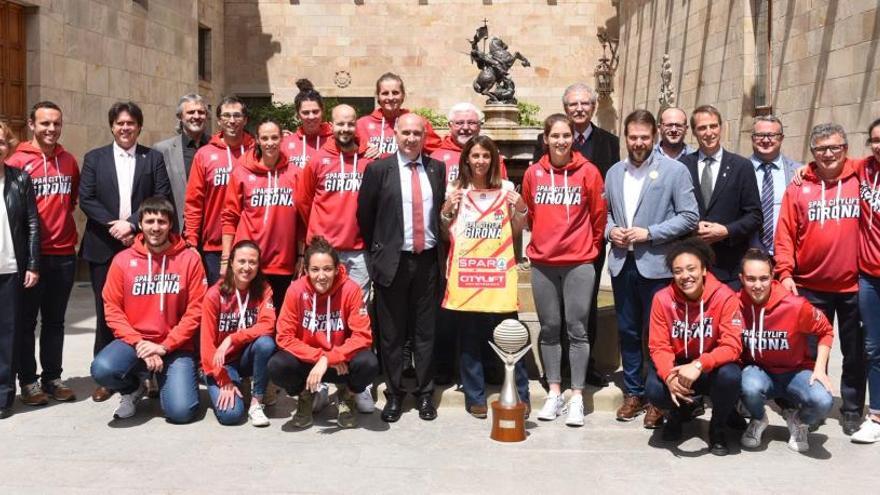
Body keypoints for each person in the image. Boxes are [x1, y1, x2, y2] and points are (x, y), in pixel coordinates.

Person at [605, 109, 699, 427]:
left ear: (654, 137)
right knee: (628, 332)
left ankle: (658, 397)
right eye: (633, 137)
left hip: (657, 266)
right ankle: (634, 393)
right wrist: (610, 231)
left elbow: (689, 216)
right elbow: (604, 214)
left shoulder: (674, 171)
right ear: (626, 138)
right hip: (622, 263)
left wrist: (651, 233)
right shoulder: (614, 172)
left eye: (645, 137)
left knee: (659, 336)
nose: (639, 142)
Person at [79, 101, 172, 403]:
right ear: (112, 126)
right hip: (103, 246)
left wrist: (132, 224)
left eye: (130, 123)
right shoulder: (95, 158)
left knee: (147, 309)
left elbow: (161, 195)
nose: (125, 128)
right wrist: (113, 226)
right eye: (120, 123)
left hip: (144, 245)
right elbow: (86, 198)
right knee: (108, 312)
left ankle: (151, 372)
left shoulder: (152, 158)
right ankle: (109, 377)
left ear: (139, 127)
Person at [356, 112, 446, 422]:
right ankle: (393, 394)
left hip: (428, 262)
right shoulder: (378, 170)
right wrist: (380, 251)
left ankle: (424, 394)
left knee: (425, 333)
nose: (411, 138)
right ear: (395, 134)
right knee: (392, 335)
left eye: (416, 133)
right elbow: (365, 217)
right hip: (392, 262)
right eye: (405, 132)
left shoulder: (437, 169)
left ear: (424, 136)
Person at [776, 123, 864, 435]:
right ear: (812, 153)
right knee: (811, 352)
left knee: (855, 352)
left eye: (835, 147)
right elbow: (784, 233)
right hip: (810, 286)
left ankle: (852, 409)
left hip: (855, 285)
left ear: (846, 149)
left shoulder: (860, 177)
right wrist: (784, 272)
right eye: (821, 149)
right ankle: (815, 404)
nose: (828, 154)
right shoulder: (799, 186)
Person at [531, 83, 619, 388]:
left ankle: (586, 366)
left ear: (593, 107)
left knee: (586, 310)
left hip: (586, 249)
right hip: (549, 254)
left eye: (584, 103)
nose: (579, 108)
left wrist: (595, 244)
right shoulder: (541, 155)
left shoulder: (610, 143)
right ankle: (555, 371)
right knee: (552, 317)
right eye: (572, 104)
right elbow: (532, 204)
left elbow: (602, 205)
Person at [522, 114, 606, 426]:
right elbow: (530, 213)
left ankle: (577, 395)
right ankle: (554, 390)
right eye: (554, 136)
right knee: (548, 328)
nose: (560, 141)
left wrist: (590, 248)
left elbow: (598, 215)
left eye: (565, 136)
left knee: (578, 329)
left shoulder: (589, 172)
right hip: (544, 263)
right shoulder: (533, 174)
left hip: (579, 262)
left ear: (573, 138)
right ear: (545, 139)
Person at [89, 197, 206, 423]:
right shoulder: (122, 261)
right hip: (135, 343)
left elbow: (196, 310)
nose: (155, 227)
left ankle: (164, 379)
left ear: (170, 224)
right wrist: (139, 343)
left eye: (162, 221)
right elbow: (112, 308)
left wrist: (165, 346)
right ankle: (132, 388)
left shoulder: (189, 260)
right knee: (102, 369)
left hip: (175, 345)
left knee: (180, 413)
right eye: (150, 221)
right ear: (140, 224)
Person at [439, 135, 529, 418]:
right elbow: (446, 234)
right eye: (475, 156)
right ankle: (474, 395)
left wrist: (522, 209)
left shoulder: (506, 188)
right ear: (466, 159)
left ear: (494, 160)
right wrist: (445, 211)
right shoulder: (456, 190)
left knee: (511, 336)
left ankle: (520, 395)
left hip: (498, 274)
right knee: (469, 338)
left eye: (485, 156)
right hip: (467, 274)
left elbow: (514, 232)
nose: (480, 161)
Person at [7, 102, 79, 405]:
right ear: (32, 125)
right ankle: (28, 381)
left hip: (63, 254)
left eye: (56, 124)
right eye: (45, 123)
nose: (51, 129)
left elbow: (71, 201)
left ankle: (53, 377)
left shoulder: (69, 161)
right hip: (30, 259)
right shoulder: (17, 160)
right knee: (25, 323)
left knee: (55, 322)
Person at [268, 236, 379, 429]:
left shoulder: (350, 289)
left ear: (337, 269)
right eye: (315, 269)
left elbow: (363, 336)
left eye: (327, 269)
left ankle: (347, 396)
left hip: (341, 362)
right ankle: (305, 395)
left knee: (368, 363)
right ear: (306, 270)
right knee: (277, 365)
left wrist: (331, 358)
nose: (321, 276)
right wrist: (320, 357)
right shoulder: (295, 290)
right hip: (311, 363)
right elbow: (284, 337)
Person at [646, 238, 743, 456]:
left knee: (731, 376)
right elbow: (659, 346)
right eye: (678, 271)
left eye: (691, 269)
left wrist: (700, 364)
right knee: (654, 388)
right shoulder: (662, 299)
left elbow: (732, 345)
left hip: (710, 365)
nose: (685, 276)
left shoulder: (725, 296)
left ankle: (717, 427)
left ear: (704, 270)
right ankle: (678, 414)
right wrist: (669, 377)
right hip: (678, 366)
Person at [737, 249, 834, 452]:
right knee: (747, 386)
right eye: (751, 279)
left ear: (773, 277)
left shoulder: (796, 306)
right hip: (759, 371)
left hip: (796, 371)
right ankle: (758, 419)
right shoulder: (735, 304)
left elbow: (825, 330)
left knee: (822, 401)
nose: (757, 285)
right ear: (741, 278)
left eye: (763, 278)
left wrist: (820, 369)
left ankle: (799, 421)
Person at [221, 118, 302, 311]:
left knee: (279, 319)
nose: (270, 143)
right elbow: (229, 216)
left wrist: (300, 255)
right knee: (248, 317)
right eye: (264, 138)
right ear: (257, 140)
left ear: (282, 139)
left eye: (274, 137)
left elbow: (301, 219)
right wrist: (226, 259)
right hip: (249, 262)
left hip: (283, 262)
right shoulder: (241, 172)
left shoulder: (295, 173)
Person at [680, 104, 761, 288]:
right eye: (702, 128)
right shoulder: (682, 167)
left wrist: (726, 231)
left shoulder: (741, 166)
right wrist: (692, 226)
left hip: (729, 267)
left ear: (721, 127)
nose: (708, 132)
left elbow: (754, 216)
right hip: (691, 266)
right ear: (693, 132)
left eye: (713, 126)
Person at [201, 240, 276, 427]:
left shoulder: (263, 289)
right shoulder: (214, 295)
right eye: (241, 261)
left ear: (259, 266)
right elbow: (207, 345)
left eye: (252, 262)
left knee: (266, 343)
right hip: (221, 363)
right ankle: (236, 383)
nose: (247, 267)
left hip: (246, 356)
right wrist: (223, 379)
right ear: (231, 263)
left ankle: (257, 401)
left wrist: (233, 338)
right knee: (231, 416)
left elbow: (269, 324)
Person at [184, 96, 254, 285]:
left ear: (245, 120)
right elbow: (194, 202)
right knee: (219, 302)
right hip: (213, 245)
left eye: (237, 115)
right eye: (227, 116)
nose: (232, 121)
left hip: (252, 242)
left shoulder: (256, 151)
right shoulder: (205, 155)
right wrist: (191, 240)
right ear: (219, 120)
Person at [0, 121, 40, 419]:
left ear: (9, 146)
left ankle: (3, 396)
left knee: (8, 335)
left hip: (11, 268)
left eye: (1, 141)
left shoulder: (20, 179)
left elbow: (31, 224)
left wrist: (33, 264)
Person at [851, 118, 880, 443]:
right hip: (870, 276)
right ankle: (875, 415)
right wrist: (805, 170)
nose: (878, 145)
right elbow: (831, 160)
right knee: (874, 346)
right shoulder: (863, 169)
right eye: (874, 139)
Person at [153, 94, 210, 230]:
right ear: (180, 116)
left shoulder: (217, 148)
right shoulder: (162, 150)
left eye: (201, 112)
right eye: (190, 112)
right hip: (178, 227)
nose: (196, 116)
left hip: (210, 228)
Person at [356, 72, 441, 159]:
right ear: (378, 96)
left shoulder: (418, 122)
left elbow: (438, 151)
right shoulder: (361, 124)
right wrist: (363, 149)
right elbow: (347, 150)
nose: (390, 98)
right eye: (385, 93)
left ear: (403, 95)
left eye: (395, 93)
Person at [748, 115, 800, 256]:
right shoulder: (738, 170)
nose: (765, 140)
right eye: (760, 135)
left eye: (771, 135)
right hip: (748, 257)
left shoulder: (798, 172)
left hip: (787, 255)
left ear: (781, 138)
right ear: (752, 138)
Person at [282, 79, 333, 170]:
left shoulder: (334, 139)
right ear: (298, 115)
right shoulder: (286, 143)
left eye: (315, 111)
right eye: (306, 113)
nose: (311, 117)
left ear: (322, 111)